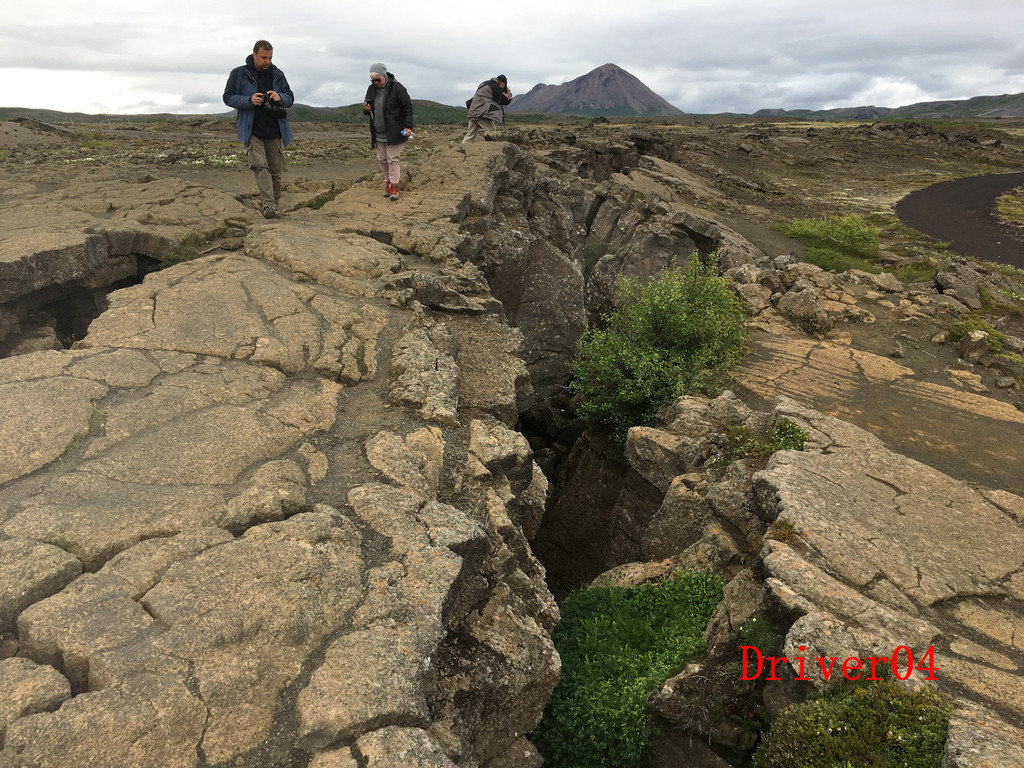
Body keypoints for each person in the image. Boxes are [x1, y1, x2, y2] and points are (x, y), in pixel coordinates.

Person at [223, 40, 294, 219]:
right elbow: (228, 97)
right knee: (261, 166)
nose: (267, 61)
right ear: (254, 55)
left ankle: (272, 205)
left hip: (275, 130)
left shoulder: (278, 74)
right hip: (252, 130)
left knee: (276, 172)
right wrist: (248, 100)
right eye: (263, 57)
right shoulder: (239, 73)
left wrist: (280, 97)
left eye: (270, 57)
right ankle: (269, 206)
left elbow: (290, 97)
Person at [362, 63, 414, 201]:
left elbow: (408, 108)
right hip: (378, 131)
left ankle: (394, 187)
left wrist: (408, 127)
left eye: (378, 80)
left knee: (392, 159)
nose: (375, 83)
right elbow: (368, 108)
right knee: (382, 159)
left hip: (395, 130)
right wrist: (366, 110)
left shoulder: (397, 88)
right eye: (373, 81)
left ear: (384, 76)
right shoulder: (371, 89)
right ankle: (388, 183)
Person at [463, 75, 512, 144]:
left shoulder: (485, 83)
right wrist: (508, 91)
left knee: (470, 135)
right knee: (492, 131)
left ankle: (462, 151)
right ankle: (491, 149)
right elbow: (506, 100)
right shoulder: (495, 87)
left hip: (473, 111)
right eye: (504, 86)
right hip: (481, 113)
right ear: (502, 84)